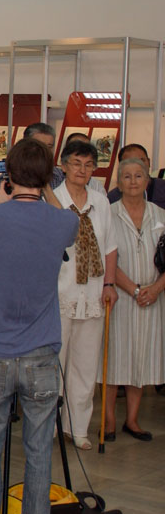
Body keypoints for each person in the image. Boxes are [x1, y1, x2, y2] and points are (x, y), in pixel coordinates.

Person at [0, 138, 78, 514]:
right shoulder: (63, 220)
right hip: (42, 352)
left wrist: (3, 202)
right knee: (39, 452)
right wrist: (46, 188)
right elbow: (68, 224)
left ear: (10, 175)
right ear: (47, 177)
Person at [54, 140, 117, 450]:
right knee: (54, 364)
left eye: (89, 165)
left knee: (86, 365)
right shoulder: (52, 199)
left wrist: (109, 285)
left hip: (93, 294)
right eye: (77, 163)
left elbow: (110, 247)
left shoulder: (101, 202)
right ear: (64, 165)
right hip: (59, 293)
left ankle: (77, 428)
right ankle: (50, 427)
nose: (82, 170)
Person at [101, 158, 165, 441]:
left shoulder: (160, 215)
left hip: (153, 297)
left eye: (138, 176)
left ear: (147, 180)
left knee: (142, 358)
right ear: (119, 182)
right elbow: (106, 257)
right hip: (121, 296)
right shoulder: (109, 214)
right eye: (127, 176)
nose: (133, 181)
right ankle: (109, 421)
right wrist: (134, 290)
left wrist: (156, 289)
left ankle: (133, 420)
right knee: (114, 358)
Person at [106, 143, 165, 210]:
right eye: (131, 162)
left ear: (149, 162)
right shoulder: (112, 198)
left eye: (141, 161)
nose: (138, 166)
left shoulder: (162, 188)